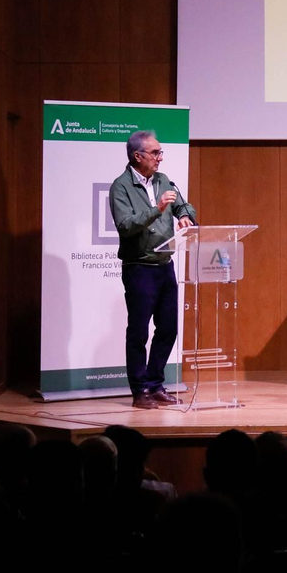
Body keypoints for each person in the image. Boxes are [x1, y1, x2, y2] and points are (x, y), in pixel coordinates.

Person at [109, 129, 196, 409]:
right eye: (155, 152)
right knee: (139, 332)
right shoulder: (120, 187)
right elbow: (126, 225)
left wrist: (183, 215)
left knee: (168, 328)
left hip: (164, 265)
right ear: (138, 156)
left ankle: (155, 384)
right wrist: (156, 209)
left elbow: (184, 204)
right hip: (139, 267)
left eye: (161, 152)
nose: (160, 157)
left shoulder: (164, 180)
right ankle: (139, 390)